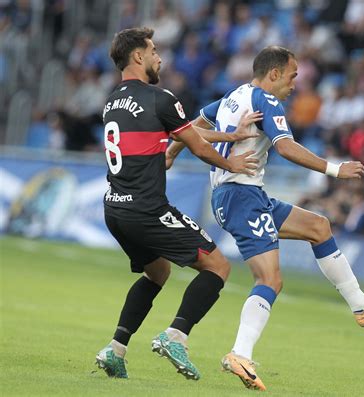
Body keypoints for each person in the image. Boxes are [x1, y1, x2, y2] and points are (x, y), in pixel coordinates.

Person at [167, 46, 364, 391]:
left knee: (318, 226)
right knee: (270, 280)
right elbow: (285, 146)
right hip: (241, 196)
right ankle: (239, 354)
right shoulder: (266, 100)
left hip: (245, 195)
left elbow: (192, 126)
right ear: (275, 73)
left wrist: (170, 153)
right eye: (293, 75)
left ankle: (362, 306)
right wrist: (335, 169)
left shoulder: (235, 95)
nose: (296, 83)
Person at [95, 27, 261, 381]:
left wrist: (231, 134)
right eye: (153, 50)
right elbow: (197, 145)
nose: (159, 57)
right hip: (146, 209)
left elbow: (183, 132)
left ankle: (116, 348)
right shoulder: (161, 98)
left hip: (114, 208)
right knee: (218, 266)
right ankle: (176, 336)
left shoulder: (111, 101)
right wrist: (232, 162)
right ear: (138, 56)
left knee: (158, 272)